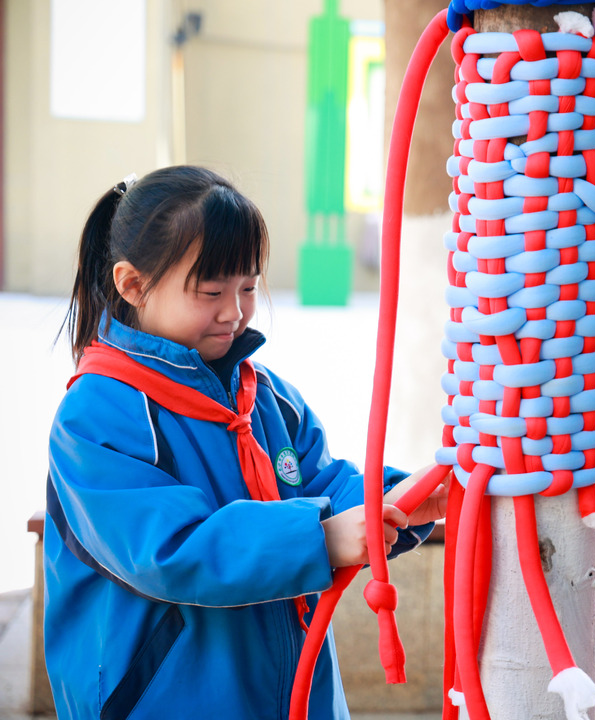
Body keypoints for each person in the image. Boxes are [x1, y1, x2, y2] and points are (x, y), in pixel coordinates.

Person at [45, 165, 449, 720]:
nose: (234, 312)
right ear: (133, 284)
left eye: (248, 288)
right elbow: (171, 551)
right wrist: (320, 537)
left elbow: (326, 487)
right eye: (210, 291)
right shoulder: (97, 416)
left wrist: (401, 498)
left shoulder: (267, 398)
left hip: (295, 699)